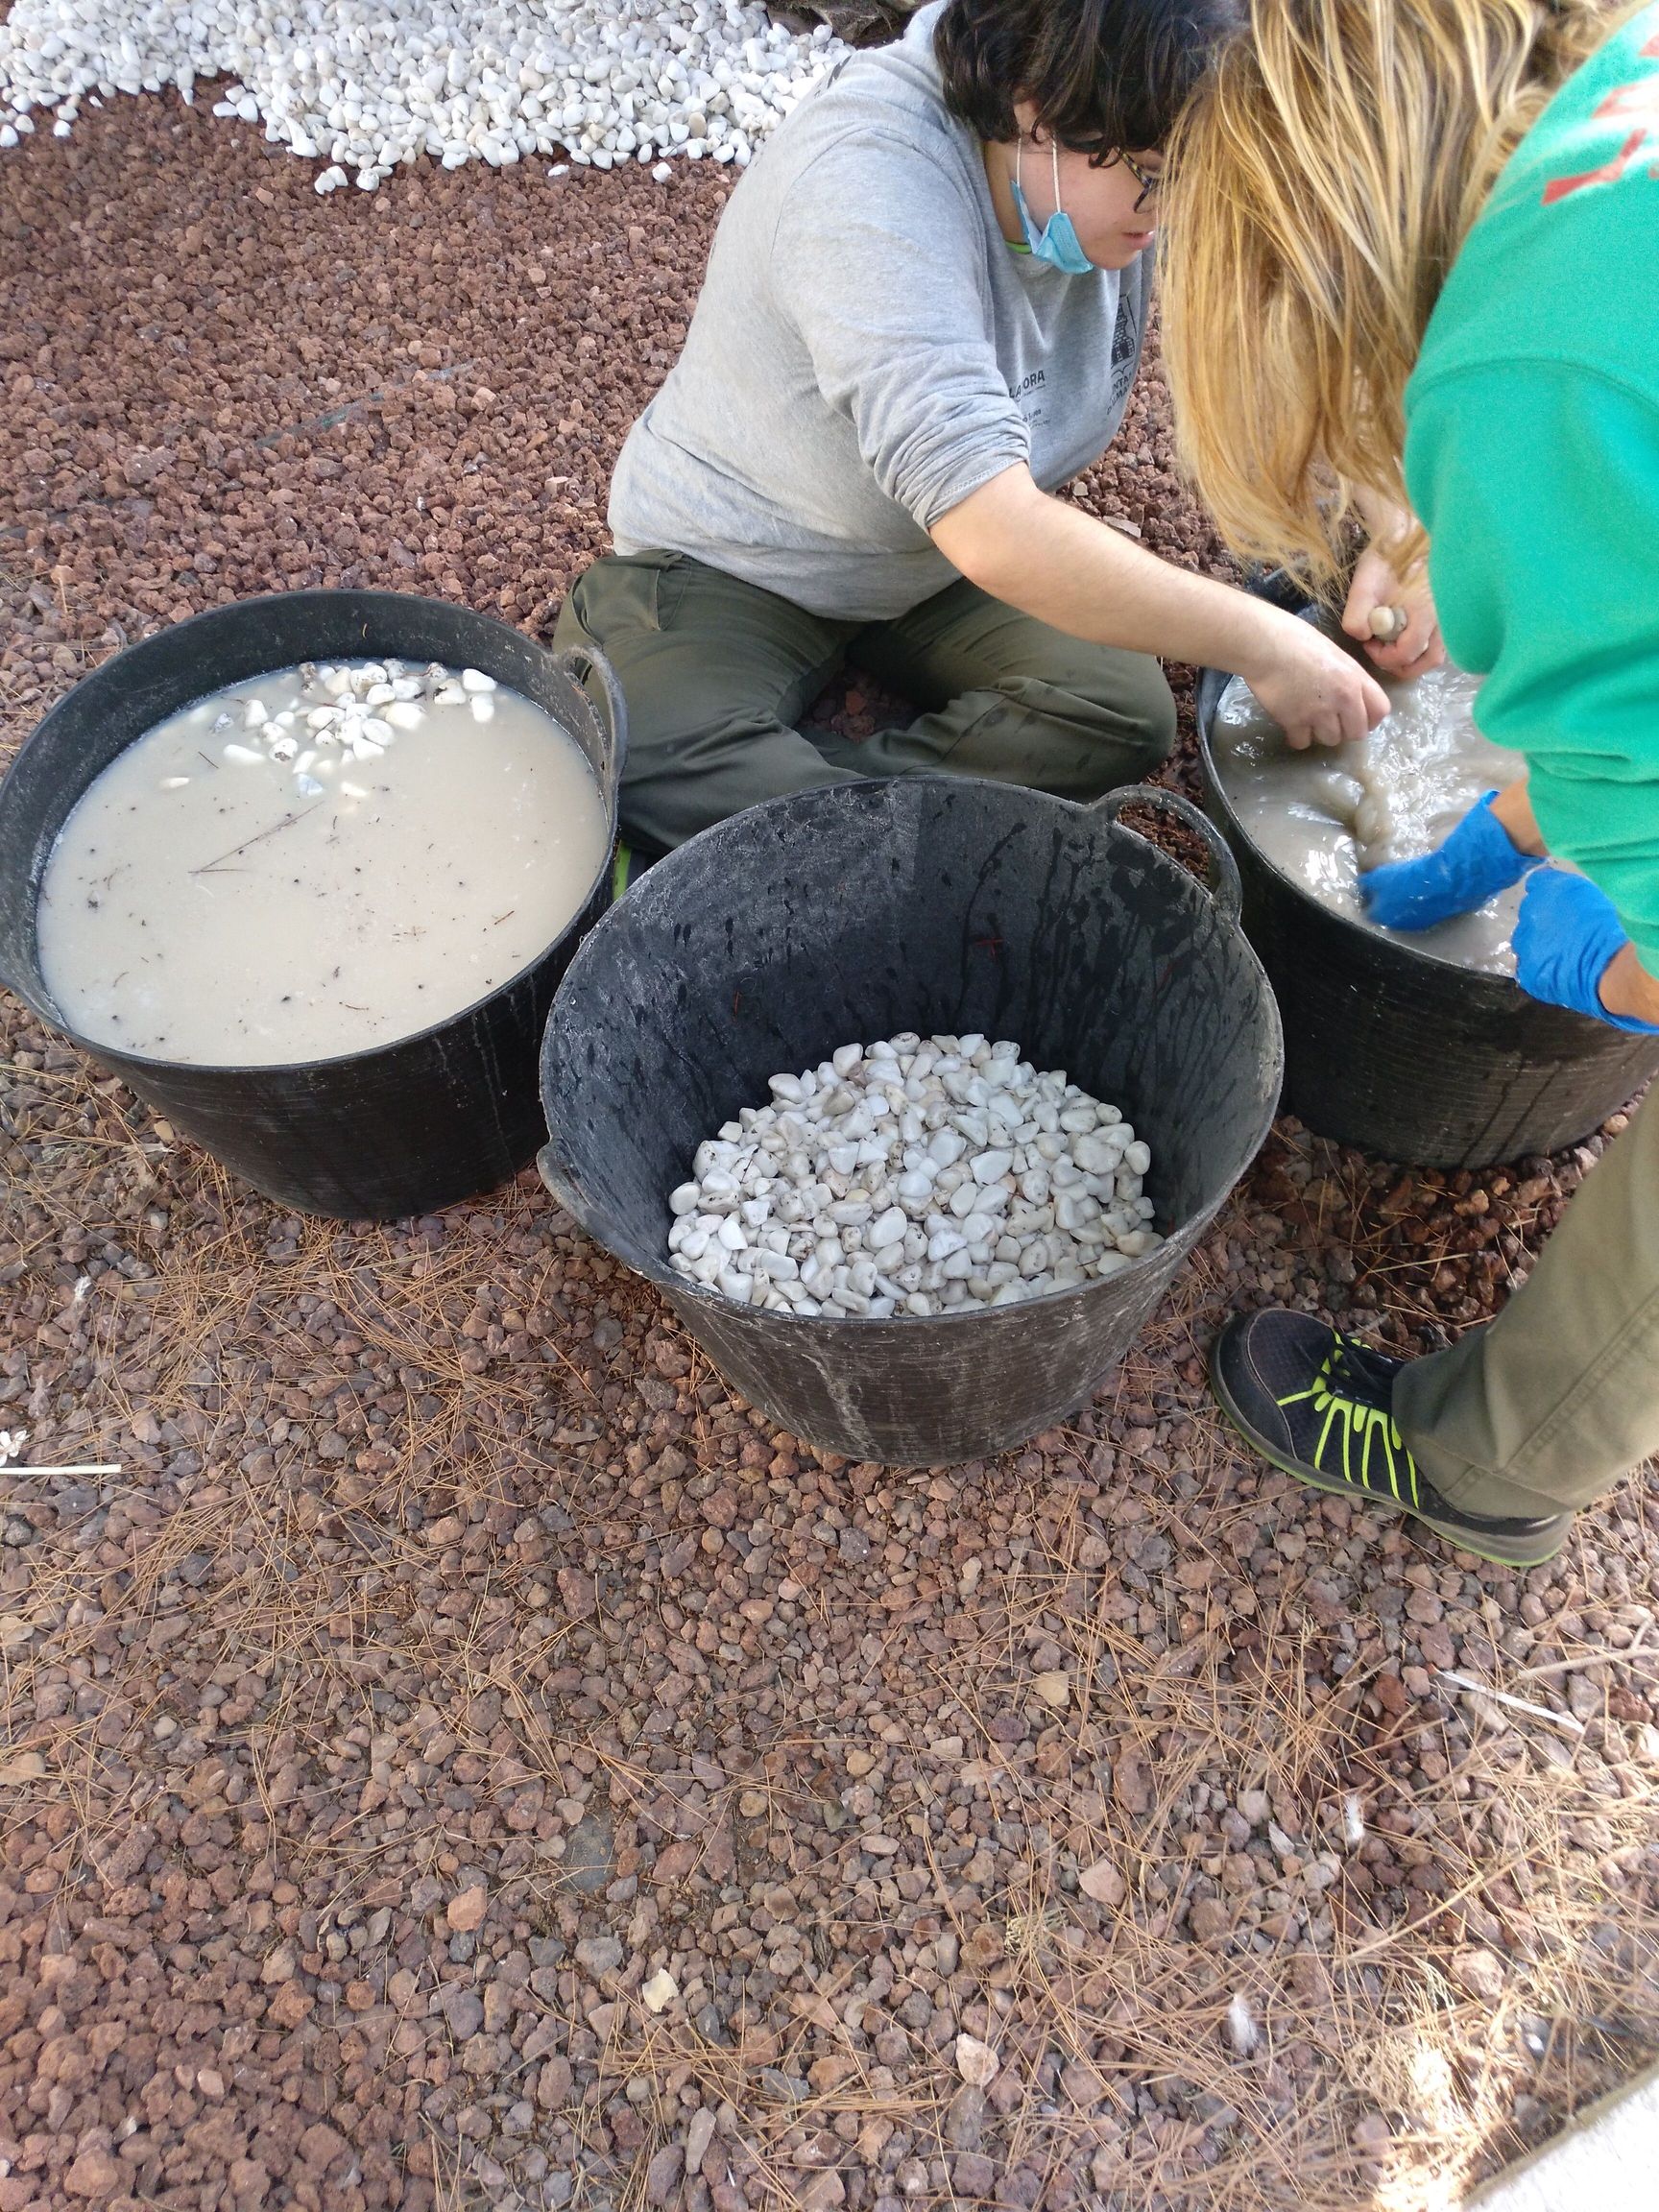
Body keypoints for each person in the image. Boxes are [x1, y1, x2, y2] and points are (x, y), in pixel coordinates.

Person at [1158, 0, 1659, 1567]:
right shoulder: (1618, 88)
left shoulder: (1517, 385)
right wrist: (1523, 826)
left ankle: (1484, 1468)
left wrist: (1602, 953)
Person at [555, 0, 1404, 868]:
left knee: (1123, 714)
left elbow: (1307, 307)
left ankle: (824, 830)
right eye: (1151, 174)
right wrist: (1267, 641)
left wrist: (1399, 526)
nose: (1172, 211)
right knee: (647, 749)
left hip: (932, 557)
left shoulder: (1128, 127)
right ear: (1033, 109)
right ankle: (836, 837)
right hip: (745, 553)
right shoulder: (870, 185)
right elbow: (995, 531)